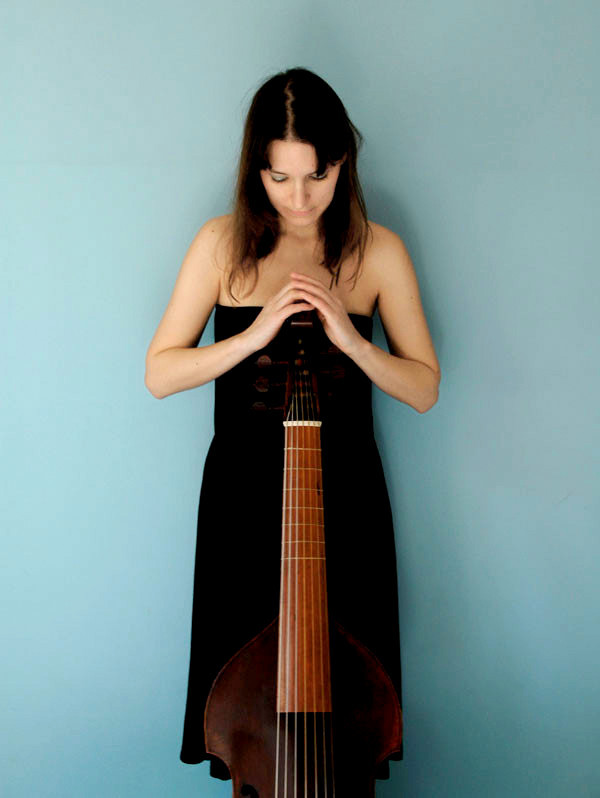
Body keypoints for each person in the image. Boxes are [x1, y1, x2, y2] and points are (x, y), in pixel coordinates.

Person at [144, 66, 441, 783]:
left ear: (343, 163)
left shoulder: (378, 251)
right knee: (248, 715)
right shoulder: (220, 245)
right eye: (279, 178)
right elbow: (160, 373)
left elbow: (424, 388)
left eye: (318, 176)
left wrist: (353, 341)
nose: (300, 198)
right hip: (243, 502)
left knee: (347, 712)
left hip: (344, 502)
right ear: (257, 169)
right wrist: (251, 337)